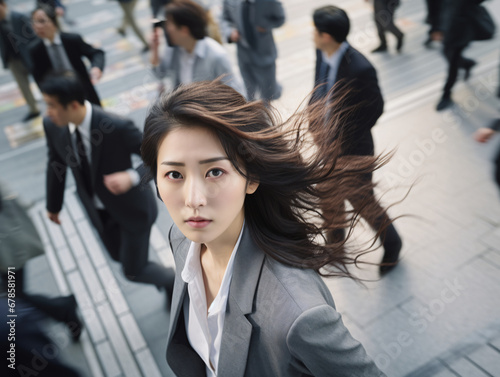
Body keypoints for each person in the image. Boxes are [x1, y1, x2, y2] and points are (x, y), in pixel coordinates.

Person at [141, 80, 387, 376]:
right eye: (174, 174)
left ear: (251, 177)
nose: (194, 200)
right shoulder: (182, 239)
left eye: (215, 171)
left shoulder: (297, 314)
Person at [40, 72, 175, 306]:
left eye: (51, 106)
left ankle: (175, 282)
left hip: (133, 211)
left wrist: (132, 177)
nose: (47, 112)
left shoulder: (115, 126)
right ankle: (167, 282)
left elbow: (160, 159)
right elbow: (56, 163)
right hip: (100, 212)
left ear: (72, 105)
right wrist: (53, 206)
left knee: (132, 270)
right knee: (119, 257)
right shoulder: (53, 126)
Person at [311, 5, 402, 274]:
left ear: (326, 35)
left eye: (315, 31)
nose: (312, 35)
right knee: (327, 194)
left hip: (352, 149)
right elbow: (319, 87)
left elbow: (375, 108)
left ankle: (393, 244)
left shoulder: (361, 68)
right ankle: (335, 245)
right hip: (325, 144)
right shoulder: (322, 51)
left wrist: (342, 137)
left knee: (362, 201)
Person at [0, 183, 83, 342]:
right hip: (8, 247)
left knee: (14, 296)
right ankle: (63, 310)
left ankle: (63, 311)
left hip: (7, 250)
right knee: (13, 296)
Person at [150, 0, 245, 95]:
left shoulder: (216, 56)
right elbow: (160, 74)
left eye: (169, 24)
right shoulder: (173, 48)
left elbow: (236, 93)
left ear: (184, 30)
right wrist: (155, 50)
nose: (165, 29)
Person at [29, 5, 104, 106]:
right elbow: (39, 78)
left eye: (42, 21)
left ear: (54, 22)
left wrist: (96, 67)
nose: (37, 26)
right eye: (34, 22)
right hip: (60, 100)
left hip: (84, 92)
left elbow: (96, 53)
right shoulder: (35, 50)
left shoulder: (72, 39)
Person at [221, 0, 285, 102]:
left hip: (264, 54)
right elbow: (224, 18)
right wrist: (230, 32)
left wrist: (266, 25)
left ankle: (274, 93)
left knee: (269, 94)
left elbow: (281, 18)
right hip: (243, 54)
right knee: (249, 92)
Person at [0, 0, 41, 121]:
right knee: (23, 86)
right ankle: (34, 109)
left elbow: (33, 35)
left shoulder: (18, 17)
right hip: (12, 60)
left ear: (3, 6)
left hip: (27, 56)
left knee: (40, 80)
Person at [436, 0, 477, 111]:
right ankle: (467, 64)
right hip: (446, 25)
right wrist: (434, 28)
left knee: (452, 62)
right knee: (447, 54)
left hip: (462, 27)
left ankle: (446, 94)